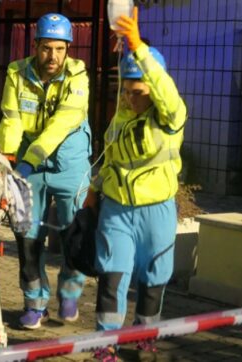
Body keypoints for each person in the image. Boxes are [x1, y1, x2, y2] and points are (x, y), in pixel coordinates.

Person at [85, 7, 187, 360]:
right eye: (126, 90)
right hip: (117, 210)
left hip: (156, 210)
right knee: (112, 276)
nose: (131, 98)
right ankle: (104, 345)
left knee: (155, 278)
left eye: (139, 91)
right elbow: (111, 156)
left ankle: (145, 337)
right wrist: (94, 190)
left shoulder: (170, 118)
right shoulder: (121, 116)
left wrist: (138, 48)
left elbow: (165, 90)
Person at [0, 13, 92, 329]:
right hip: (28, 162)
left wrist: (29, 160)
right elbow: (11, 118)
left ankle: (69, 292)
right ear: (35, 45)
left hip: (70, 161)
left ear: (68, 49)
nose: (53, 57)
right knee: (27, 233)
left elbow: (60, 125)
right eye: (46, 48)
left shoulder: (78, 78)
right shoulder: (16, 73)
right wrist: (9, 160)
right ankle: (35, 303)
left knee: (74, 231)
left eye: (60, 49)